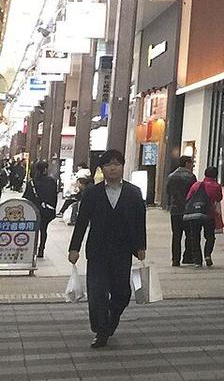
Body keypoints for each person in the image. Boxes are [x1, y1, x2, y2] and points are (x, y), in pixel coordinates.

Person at [67, 149, 147, 349]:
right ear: (102, 168)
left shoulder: (134, 192)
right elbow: (82, 222)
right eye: (109, 164)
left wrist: (141, 246)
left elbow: (140, 222)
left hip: (122, 251)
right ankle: (101, 331)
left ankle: (111, 319)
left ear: (123, 166)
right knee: (97, 293)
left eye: (117, 164)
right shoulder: (92, 193)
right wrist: (74, 248)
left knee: (122, 293)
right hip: (97, 251)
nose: (113, 168)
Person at [183, 166, 224, 267]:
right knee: (210, 237)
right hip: (209, 214)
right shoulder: (216, 186)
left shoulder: (196, 185)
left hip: (195, 214)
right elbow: (219, 198)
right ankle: (207, 255)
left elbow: (188, 197)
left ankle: (197, 260)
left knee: (195, 237)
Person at [30, 160, 58, 258]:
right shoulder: (51, 181)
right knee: (43, 230)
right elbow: (54, 197)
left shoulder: (32, 182)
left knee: (33, 230)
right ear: (45, 169)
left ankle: (31, 249)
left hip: (33, 210)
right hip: (46, 210)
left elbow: (27, 197)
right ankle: (41, 250)